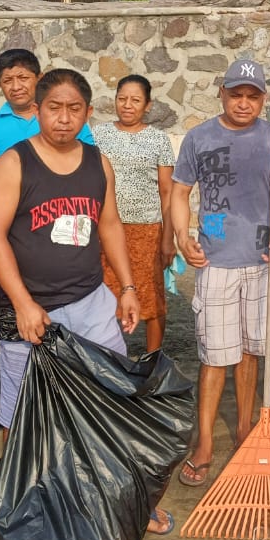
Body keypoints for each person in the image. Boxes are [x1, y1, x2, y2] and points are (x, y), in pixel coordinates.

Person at [0, 68, 174, 535]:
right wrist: (24, 304)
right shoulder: (15, 163)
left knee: (111, 398)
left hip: (91, 302)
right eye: (54, 108)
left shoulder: (96, 162)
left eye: (73, 109)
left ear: (87, 113)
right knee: (21, 409)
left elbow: (108, 225)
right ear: (39, 111)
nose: (63, 119)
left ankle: (120, 494)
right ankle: (25, 502)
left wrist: (125, 287)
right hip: (32, 311)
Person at [170, 59, 270, 487]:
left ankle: (246, 427)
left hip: (262, 261)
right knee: (213, 356)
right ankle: (205, 440)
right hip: (216, 261)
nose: (244, 103)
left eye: (253, 95)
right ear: (222, 93)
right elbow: (180, 192)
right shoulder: (200, 137)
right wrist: (181, 235)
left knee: (249, 351)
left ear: (263, 98)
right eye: (236, 94)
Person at [91, 75, 176, 351]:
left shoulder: (158, 140)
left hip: (147, 231)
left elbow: (167, 192)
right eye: (122, 99)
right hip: (105, 229)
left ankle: (152, 361)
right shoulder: (97, 135)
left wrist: (168, 238)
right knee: (105, 295)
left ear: (147, 105)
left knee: (152, 297)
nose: (127, 105)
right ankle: (107, 357)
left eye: (135, 100)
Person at [0, 49, 96, 229]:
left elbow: (87, 170)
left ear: (39, 78)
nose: (16, 87)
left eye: (23, 78)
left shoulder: (65, 122)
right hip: (8, 226)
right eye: (7, 80)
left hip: (64, 221)